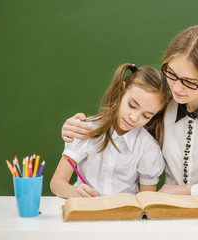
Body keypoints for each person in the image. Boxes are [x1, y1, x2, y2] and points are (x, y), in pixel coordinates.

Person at [61, 25, 198, 201]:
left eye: (189, 82)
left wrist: (189, 191)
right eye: (171, 74)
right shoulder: (161, 104)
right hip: (170, 216)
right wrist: (73, 128)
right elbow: (122, 125)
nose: (176, 88)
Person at [50, 63, 171, 198]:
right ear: (121, 90)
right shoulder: (86, 129)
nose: (134, 118)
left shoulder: (148, 147)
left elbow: (147, 200)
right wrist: (74, 192)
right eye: (132, 105)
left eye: (146, 116)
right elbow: (56, 183)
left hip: (124, 216)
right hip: (85, 212)